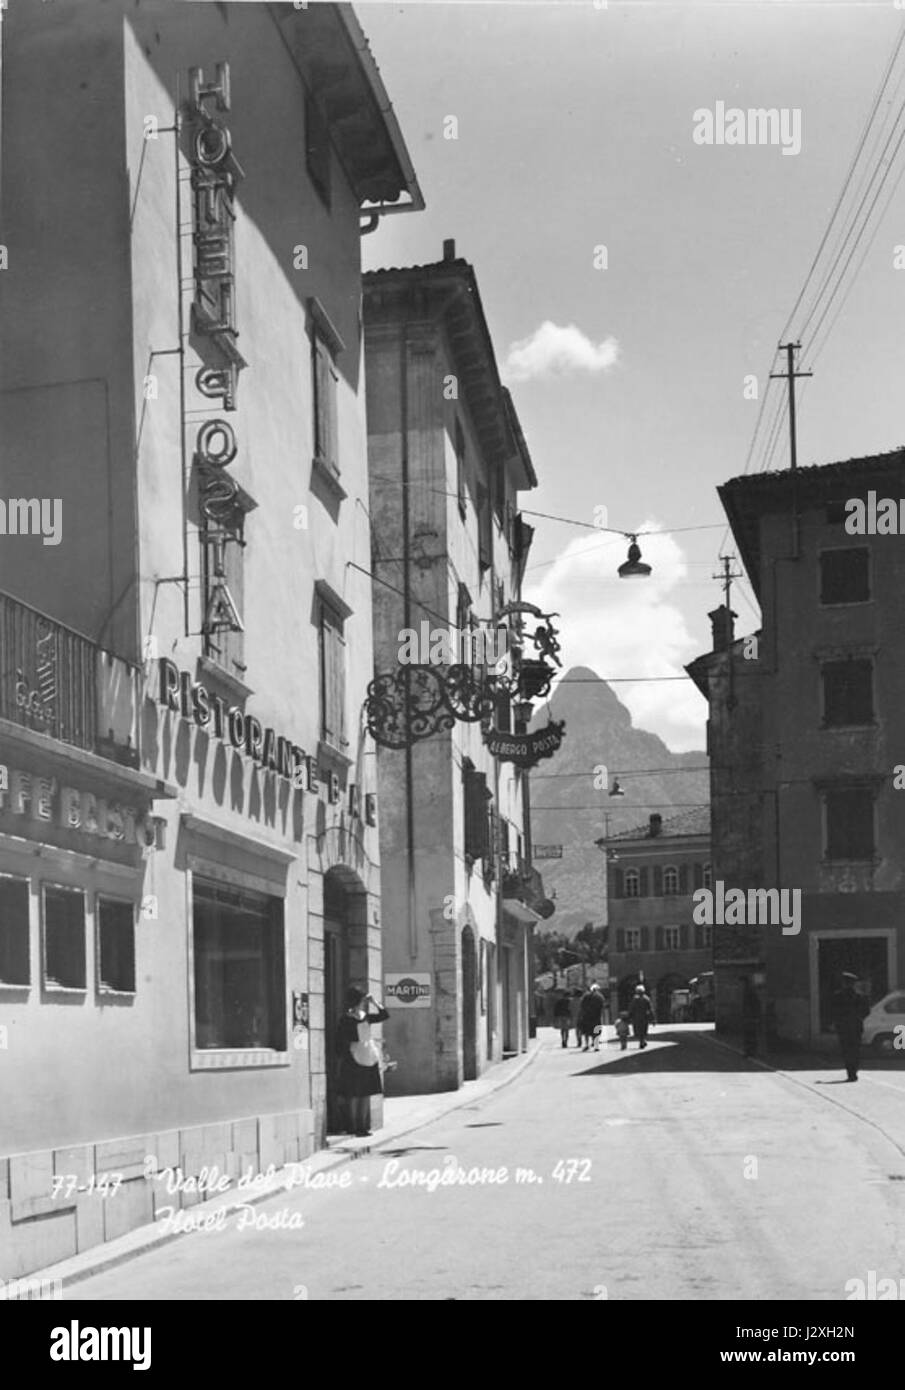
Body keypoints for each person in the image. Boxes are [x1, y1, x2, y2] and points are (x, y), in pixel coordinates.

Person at [335, 987, 390, 1136]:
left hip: (368, 1055)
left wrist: (375, 1002)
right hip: (353, 1057)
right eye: (363, 1000)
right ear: (358, 1001)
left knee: (366, 1093)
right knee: (354, 1094)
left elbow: (384, 1015)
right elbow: (340, 1039)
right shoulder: (346, 1018)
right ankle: (353, 1126)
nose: (364, 1002)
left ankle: (362, 1126)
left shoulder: (365, 1016)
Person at [831, 971, 870, 1082]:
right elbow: (867, 1011)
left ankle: (850, 1072)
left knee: (846, 1050)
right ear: (853, 984)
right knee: (855, 1050)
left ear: (844, 983)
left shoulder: (838, 996)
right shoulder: (860, 996)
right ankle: (854, 1072)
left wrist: (837, 1022)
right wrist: (858, 1018)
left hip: (843, 1027)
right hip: (856, 1026)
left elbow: (834, 1011)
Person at [578, 983, 605, 1052]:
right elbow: (602, 1006)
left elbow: (582, 1006)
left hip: (586, 1016)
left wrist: (582, 1014)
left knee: (586, 1031)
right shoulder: (599, 996)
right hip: (596, 1016)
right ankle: (596, 1046)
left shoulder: (585, 996)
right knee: (596, 1031)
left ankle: (587, 1045)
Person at [629, 984, 655, 1049]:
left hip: (637, 1017)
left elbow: (631, 1008)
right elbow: (650, 1009)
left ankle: (642, 1041)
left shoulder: (635, 999)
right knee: (644, 1030)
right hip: (644, 1017)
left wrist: (630, 1016)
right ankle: (643, 1041)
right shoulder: (646, 998)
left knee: (639, 1030)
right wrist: (653, 1018)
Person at [741, 976, 761, 1058]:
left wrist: (755, 1016)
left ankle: (751, 1051)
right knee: (749, 1034)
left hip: (750, 1016)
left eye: (742, 983)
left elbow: (755, 1004)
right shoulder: (747, 991)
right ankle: (749, 1051)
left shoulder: (749, 992)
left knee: (750, 1034)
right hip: (748, 1016)